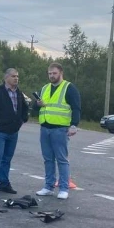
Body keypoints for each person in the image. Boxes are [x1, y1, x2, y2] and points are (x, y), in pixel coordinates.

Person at [34, 62, 81, 200]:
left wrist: (74, 125)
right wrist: (37, 104)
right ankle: (48, 187)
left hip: (60, 129)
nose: (51, 76)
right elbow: (37, 107)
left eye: (54, 73)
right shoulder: (45, 88)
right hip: (45, 128)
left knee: (61, 159)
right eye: (49, 73)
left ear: (61, 73)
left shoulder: (69, 88)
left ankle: (64, 188)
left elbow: (76, 108)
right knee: (48, 159)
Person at [0, 68, 28, 195]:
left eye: (17, 76)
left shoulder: (18, 93)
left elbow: (24, 107)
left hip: (13, 132)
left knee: (7, 159)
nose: (16, 78)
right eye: (13, 76)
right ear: (6, 78)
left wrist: (22, 120)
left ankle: (4, 183)